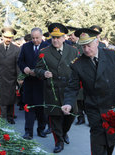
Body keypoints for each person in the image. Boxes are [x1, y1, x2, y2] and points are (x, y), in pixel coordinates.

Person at [61, 28, 115, 155]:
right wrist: (68, 103)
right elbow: (72, 87)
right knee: (98, 144)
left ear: (97, 42)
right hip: (95, 109)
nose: (86, 50)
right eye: (83, 47)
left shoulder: (112, 55)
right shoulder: (77, 64)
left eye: (89, 45)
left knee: (111, 139)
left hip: (114, 107)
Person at [34, 23, 78, 153]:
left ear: (64, 38)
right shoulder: (44, 52)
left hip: (69, 90)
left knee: (71, 115)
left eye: (58, 37)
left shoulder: (73, 51)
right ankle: (59, 141)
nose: (55, 40)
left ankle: (64, 133)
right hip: (52, 89)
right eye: (53, 37)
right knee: (55, 117)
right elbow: (37, 69)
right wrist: (43, 73)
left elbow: (79, 68)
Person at [18, 27, 49, 140]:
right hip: (29, 82)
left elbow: (50, 63)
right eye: (33, 38)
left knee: (41, 108)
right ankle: (28, 132)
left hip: (42, 83)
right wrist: (24, 68)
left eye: (37, 38)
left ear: (41, 37)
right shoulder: (26, 47)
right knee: (29, 107)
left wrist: (41, 72)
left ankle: (41, 129)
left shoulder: (47, 46)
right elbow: (20, 61)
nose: (35, 40)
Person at [0, 27, 20, 124]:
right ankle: (2, 117)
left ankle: (10, 116)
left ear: (12, 38)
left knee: (11, 97)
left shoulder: (16, 49)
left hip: (11, 77)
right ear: (3, 37)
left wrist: (19, 78)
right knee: (1, 97)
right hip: (0, 77)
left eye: (10, 37)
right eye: (6, 37)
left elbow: (18, 65)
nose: (8, 39)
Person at [67, 26, 86, 125]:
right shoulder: (71, 46)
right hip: (74, 75)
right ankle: (80, 117)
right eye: (69, 35)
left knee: (84, 98)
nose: (70, 37)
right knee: (78, 99)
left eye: (72, 35)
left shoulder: (83, 45)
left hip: (83, 75)